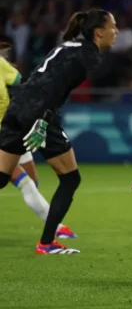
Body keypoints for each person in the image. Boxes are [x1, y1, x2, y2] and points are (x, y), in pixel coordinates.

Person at [0, 9, 118, 254]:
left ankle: (48, 241)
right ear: (99, 32)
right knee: (70, 178)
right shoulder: (88, 55)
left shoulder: (69, 46)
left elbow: (38, 79)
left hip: (18, 107)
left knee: (2, 178)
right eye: (113, 26)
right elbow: (53, 86)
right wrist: (43, 120)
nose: (116, 32)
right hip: (38, 112)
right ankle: (46, 243)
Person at [0, 46, 77, 239]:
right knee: (25, 183)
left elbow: (21, 82)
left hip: (13, 128)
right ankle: (57, 229)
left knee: (33, 181)